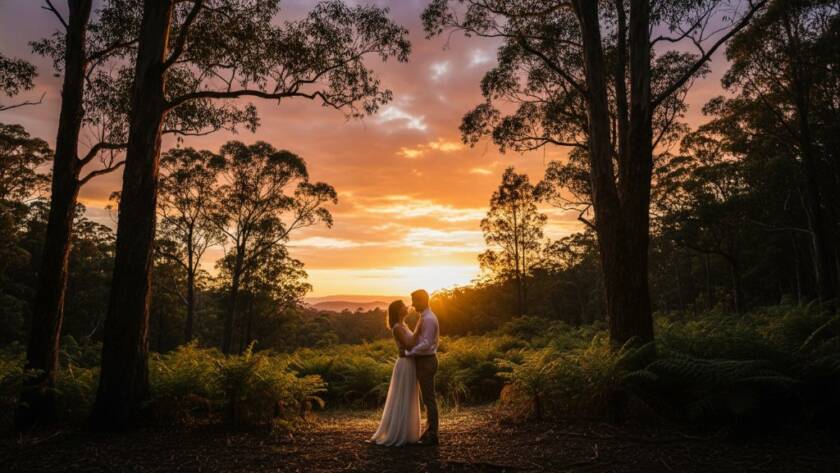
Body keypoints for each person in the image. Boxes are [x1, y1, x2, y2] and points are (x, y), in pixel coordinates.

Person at [370, 300, 421, 446]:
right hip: (405, 364)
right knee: (403, 396)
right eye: (404, 305)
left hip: (409, 362)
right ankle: (399, 432)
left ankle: (407, 431)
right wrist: (419, 328)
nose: (407, 307)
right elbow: (410, 344)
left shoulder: (403, 325)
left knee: (408, 396)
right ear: (399, 310)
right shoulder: (397, 327)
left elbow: (410, 345)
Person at [405, 289, 439, 445]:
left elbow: (426, 344)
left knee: (429, 399)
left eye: (415, 300)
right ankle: (429, 432)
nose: (412, 304)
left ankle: (432, 435)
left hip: (426, 361)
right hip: (423, 361)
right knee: (427, 398)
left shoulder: (429, 319)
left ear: (423, 300)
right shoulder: (424, 317)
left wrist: (410, 352)